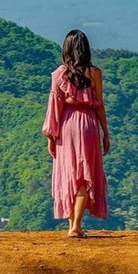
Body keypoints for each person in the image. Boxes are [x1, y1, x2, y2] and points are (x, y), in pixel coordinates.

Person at [42, 29, 110, 238]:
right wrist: (106, 133)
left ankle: (73, 224)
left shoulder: (59, 74)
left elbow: (54, 106)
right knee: (84, 174)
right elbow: (99, 106)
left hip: (66, 125)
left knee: (69, 173)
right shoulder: (94, 73)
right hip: (88, 125)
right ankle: (76, 226)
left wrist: (50, 135)